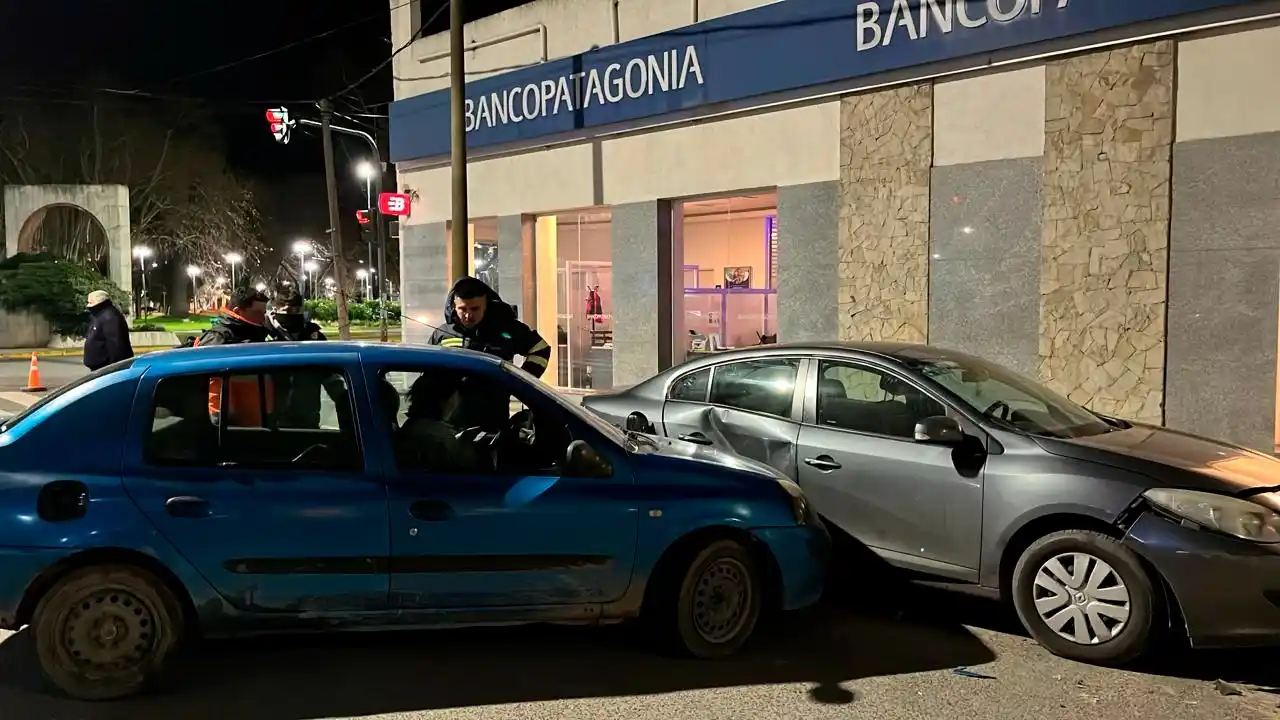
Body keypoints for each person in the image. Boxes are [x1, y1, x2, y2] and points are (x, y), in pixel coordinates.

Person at [428, 276, 551, 430]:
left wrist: (521, 383)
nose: (468, 315)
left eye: (475, 309)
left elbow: (541, 349)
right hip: (450, 424)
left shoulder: (506, 328)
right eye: (462, 309)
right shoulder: (442, 334)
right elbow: (427, 375)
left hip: (493, 423)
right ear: (454, 305)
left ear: (486, 304)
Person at [193, 288, 273, 427]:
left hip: (255, 416)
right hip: (225, 421)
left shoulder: (255, 335)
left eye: (264, 313)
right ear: (237, 311)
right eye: (257, 313)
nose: (262, 318)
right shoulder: (217, 339)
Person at [83, 290, 133, 371]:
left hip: (106, 368)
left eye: (92, 304)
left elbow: (116, 345)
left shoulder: (110, 317)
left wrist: (113, 368)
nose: (89, 307)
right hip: (99, 367)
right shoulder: (100, 315)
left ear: (100, 304)